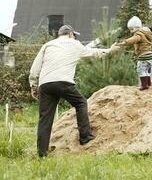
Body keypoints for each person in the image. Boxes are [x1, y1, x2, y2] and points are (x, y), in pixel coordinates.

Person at [29, 24, 120, 157]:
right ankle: (85, 137)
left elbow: (35, 68)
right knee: (81, 103)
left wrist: (33, 86)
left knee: (45, 118)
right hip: (63, 82)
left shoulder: (48, 45)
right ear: (71, 34)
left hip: (46, 84)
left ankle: (42, 153)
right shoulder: (75, 44)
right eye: (74, 35)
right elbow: (95, 53)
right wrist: (110, 50)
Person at [117, 16, 152, 90]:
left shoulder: (139, 34)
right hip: (150, 55)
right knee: (146, 69)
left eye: (132, 29)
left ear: (137, 27)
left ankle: (144, 86)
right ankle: (148, 84)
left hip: (143, 55)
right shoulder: (147, 34)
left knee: (140, 69)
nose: (131, 31)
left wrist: (124, 42)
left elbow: (133, 40)